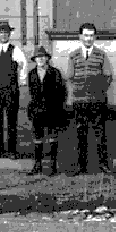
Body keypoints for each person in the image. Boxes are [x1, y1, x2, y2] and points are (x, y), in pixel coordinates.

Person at [66, 22, 113, 176]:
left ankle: (103, 166)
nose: (88, 38)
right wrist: (80, 91)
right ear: (80, 36)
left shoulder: (101, 54)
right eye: (86, 35)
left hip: (97, 101)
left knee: (101, 134)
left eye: (91, 35)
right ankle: (81, 167)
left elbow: (107, 76)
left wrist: (98, 92)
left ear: (95, 37)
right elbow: (70, 77)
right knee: (80, 135)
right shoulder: (73, 55)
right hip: (80, 102)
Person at [0, 20, 28, 159]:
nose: (3, 35)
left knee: (11, 120)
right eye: (1, 32)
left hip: (11, 89)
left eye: (6, 32)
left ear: (10, 34)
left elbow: (23, 66)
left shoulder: (15, 50)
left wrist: (21, 81)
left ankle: (12, 151)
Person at [26, 45, 67, 176]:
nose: (40, 59)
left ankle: (52, 167)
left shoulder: (55, 72)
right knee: (38, 138)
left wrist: (58, 108)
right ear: (35, 59)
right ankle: (37, 165)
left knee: (52, 138)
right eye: (38, 57)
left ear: (47, 58)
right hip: (37, 110)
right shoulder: (31, 74)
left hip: (52, 110)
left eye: (42, 57)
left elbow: (62, 92)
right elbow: (32, 93)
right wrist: (32, 109)